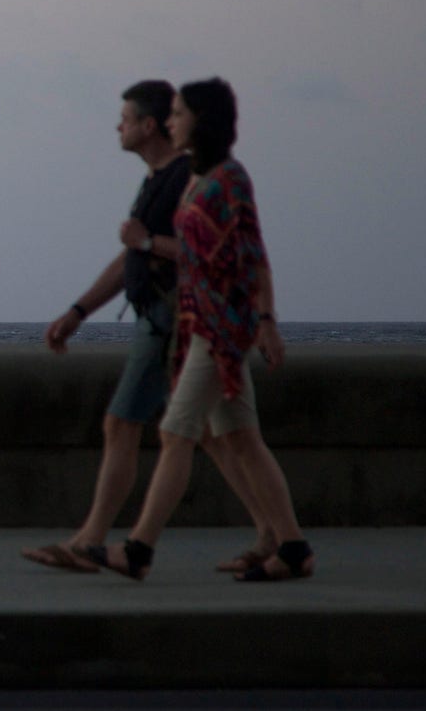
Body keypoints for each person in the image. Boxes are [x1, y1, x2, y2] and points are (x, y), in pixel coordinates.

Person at [23, 81, 273, 573]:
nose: (117, 127)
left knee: (127, 424)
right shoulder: (161, 179)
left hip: (173, 320)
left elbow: (211, 254)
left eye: (125, 119)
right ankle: (277, 536)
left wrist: (146, 243)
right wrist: (79, 311)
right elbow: (130, 258)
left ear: (149, 125)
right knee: (219, 435)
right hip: (173, 320)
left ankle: (94, 542)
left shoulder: (188, 178)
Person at [93, 78, 315, 582]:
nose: (171, 122)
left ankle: (138, 549)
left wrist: (266, 321)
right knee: (241, 439)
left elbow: (253, 256)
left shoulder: (230, 180)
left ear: (201, 120)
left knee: (175, 433)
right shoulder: (197, 177)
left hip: (222, 328)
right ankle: (291, 545)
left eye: (178, 113)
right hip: (197, 323)